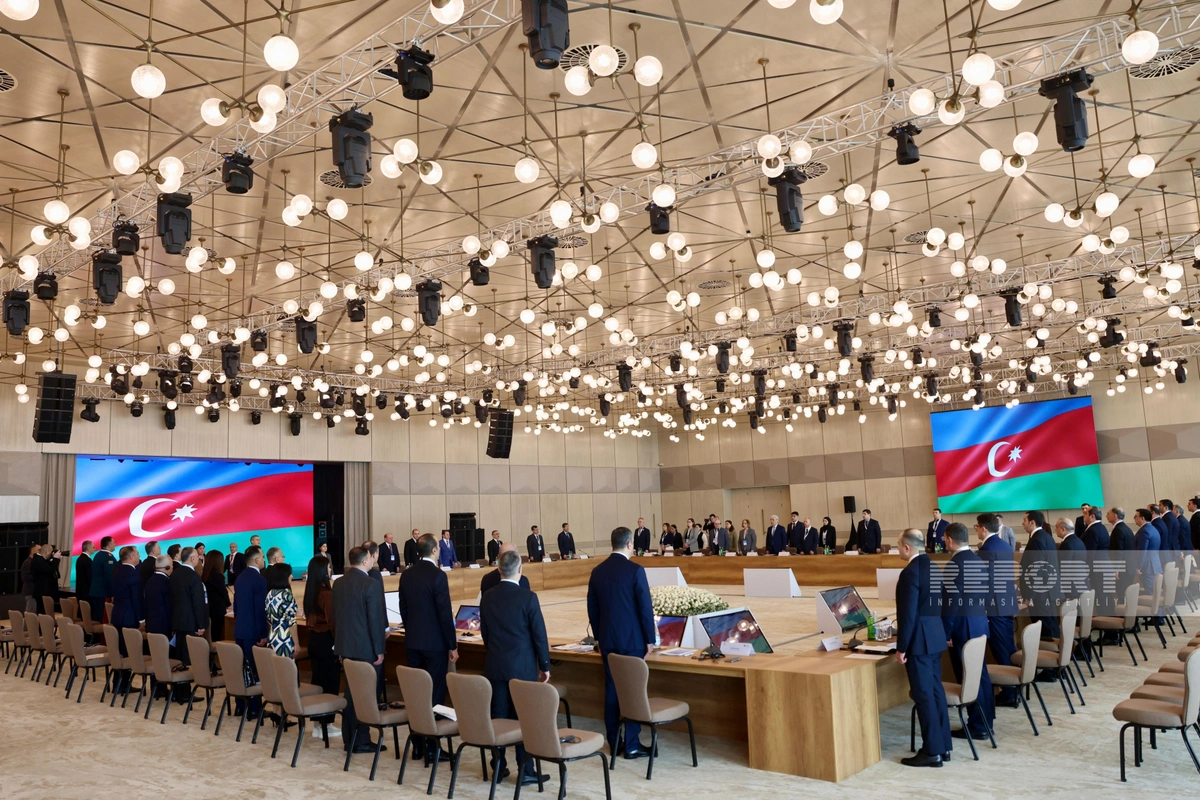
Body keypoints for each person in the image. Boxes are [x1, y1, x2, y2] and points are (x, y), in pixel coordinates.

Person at [480, 549, 551, 786]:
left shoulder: (487, 597)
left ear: (499, 569)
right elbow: (539, 634)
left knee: (498, 716)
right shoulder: (528, 597)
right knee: (524, 718)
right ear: (520, 570)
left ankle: (498, 767)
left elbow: (485, 633)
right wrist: (545, 665)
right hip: (522, 667)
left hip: (495, 665)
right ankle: (525, 769)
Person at [587, 526, 656, 759]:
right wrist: (650, 639)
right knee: (632, 690)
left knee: (612, 689)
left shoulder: (597, 571)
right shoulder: (635, 570)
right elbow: (645, 608)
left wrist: (599, 637)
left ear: (611, 544)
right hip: (632, 640)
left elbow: (592, 608)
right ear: (629, 544)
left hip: (608, 639)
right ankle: (633, 743)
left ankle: (615, 742)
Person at [894, 529, 951, 767]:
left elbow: (907, 616)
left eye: (898, 545)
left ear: (907, 547)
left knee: (924, 696)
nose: (898, 549)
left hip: (918, 642)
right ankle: (943, 746)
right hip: (935, 638)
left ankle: (932, 752)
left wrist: (901, 648)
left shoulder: (909, 573)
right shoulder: (934, 567)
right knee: (936, 693)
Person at [941, 522, 994, 739]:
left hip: (962, 628)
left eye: (944, 538)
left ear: (950, 539)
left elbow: (952, 604)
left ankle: (977, 727)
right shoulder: (977, 559)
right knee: (980, 676)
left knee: (969, 678)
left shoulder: (955, 564)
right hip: (979, 624)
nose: (944, 541)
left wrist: (946, 633)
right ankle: (986, 721)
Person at [333, 546, 386, 755]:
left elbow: (337, 618)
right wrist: (379, 649)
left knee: (350, 694)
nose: (373, 561)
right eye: (371, 558)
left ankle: (350, 739)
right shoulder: (370, 584)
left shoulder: (338, 583)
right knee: (364, 695)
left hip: (346, 646)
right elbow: (375, 620)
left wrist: (339, 646)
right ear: (365, 561)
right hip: (366, 649)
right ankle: (361, 740)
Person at [398, 534, 459, 714]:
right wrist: (452, 644)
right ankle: (432, 730)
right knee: (434, 690)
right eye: (438, 548)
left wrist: (411, 629)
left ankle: (417, 730)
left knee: (416, 690)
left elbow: (403, 608)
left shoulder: (406, 574)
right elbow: (444, 614)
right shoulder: (438, 575)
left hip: (412, 641)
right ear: (433, 550)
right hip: (435, 644)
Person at [975, 513, 1018, 707]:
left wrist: (983, 607)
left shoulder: (987, 549)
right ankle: (1013, 688)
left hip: (994, 607)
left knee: (1001, 650)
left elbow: (986, 582)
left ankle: (1009, 693)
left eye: (977, 527)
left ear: (983, 528)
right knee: (1008, 647)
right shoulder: (1005, 545)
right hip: (1007, 603)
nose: (976, 530)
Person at [232, 546, 268, 717]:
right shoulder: (259, 580)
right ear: (257, 560)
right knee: (253, 670)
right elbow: (260, 610)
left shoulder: (239, 578)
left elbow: (236, 606)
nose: (264, 560)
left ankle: (240, 705)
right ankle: (254, 708)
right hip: (254, 631)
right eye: (262, 557)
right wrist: (263, 634)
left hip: (240, 629)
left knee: (241, 669)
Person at [1019, 510, 1062, 640]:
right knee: (1051, 628)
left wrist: (1030, 596)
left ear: (1032, 522)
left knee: (1046, 633)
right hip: (1048, 592)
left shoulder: (1036, 540)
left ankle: (1054, 652)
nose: (1022, 523)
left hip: (1040, 595)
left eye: (1024, 520)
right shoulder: (1047, 537)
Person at [304, 555, 340, 701]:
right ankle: (329, 714)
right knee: (330, 681)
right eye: (329, 567)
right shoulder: (326, 594)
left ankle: (318, 714)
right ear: (323, 571)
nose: (330, 570)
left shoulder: (311, 591)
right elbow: (332, 622)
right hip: (327, 641)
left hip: (314, 640)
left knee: (318, 679)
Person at [171, 546, 207, 665]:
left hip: (177, 622)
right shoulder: (194, 576)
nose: (198, 559)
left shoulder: (174, 574)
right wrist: (201, 625)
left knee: (180, 656)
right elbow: (198, 602)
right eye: (197, 556)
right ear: (192, 558)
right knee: (190, 657)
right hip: (191, 623)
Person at [110, 547, 144, 659]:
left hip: (117, 615)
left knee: (120, 650)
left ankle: (120, 670)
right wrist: (141, 619)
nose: (139, 556)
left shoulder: (116, 571)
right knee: (130, 652)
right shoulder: (133, 574)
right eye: (137, 554)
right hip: (129, 617)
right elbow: (137, 598)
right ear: (131, 557)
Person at [265, 563, 298, 657]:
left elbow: (268, 618)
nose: (292, 576)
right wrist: (296, 643)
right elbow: (291, 621)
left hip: (272, 638)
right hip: (285, 640)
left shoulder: (270, 593)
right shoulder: (287, 595)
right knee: (286, 666)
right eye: (290, 574)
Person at [1054, 518, 1089, 601]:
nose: (1055, 530)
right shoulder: (1079, 541)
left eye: (1056, 527)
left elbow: (1064, 569)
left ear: (1063, 529)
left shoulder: (1066, 544)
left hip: (1072, 588)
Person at [201, 550, 229, 642]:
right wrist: (228, 603)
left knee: (210, 635)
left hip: (208, 609)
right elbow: (223, 592)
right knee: (217, 635)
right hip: (217, 610)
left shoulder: (205, 575)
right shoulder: (218, 576)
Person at [143, 554, 173, 640]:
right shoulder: (166, 583)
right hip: (164, 627)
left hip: (151, 624)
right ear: (167, 567)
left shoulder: (150, 581)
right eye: (171, 565)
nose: (172, 568)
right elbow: (169, 606)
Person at [1133, 507, 1162, 593]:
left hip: (1148, 567)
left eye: (1136, 516)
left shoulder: (1144, 531)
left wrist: (1139, 566)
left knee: (1151, 593)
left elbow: (1142, 551)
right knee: (1155, 592)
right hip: (1154, 564)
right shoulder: (1152, 528)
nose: (1134, 518)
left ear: (1142, 518)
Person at [90, 536, 117, 622]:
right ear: (108, 545)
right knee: (103, 618)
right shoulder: (107, 557)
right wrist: (112, 593)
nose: (115, 544)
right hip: (104, 593)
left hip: (96, 592)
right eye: (113, 543)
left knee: (97, 617)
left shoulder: (98, 555)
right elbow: (109, 577)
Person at [31, 544, 61, 613]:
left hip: (46, 593)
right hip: (42, 593)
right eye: (51, 552)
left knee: (47, 612)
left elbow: (54, 573)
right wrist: (56, 559)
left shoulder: (43, 560)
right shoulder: (38, 560)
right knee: (43, 613)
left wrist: (55, 560)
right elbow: (50, 570)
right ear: (47, 552)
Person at [75, 540, 94, 608]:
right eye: (93, 547)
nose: (94, 549)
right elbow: (90, 577)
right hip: (86, 592)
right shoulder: (88, 560)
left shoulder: (80, 558)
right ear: (88, 548)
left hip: (80, 590)